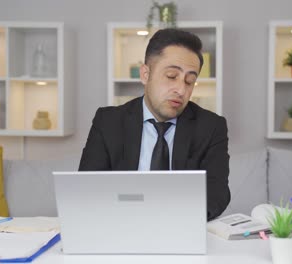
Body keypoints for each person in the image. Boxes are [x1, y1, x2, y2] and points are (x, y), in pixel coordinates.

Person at [79, 28, 230, 220]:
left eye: (190, 81)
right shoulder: (108, 121)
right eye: (171, 76)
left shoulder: (211, 127)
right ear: (145, 74)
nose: (181, 90)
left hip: (180, 226)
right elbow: (87, 188)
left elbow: (217, 194)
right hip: (118, 224)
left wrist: (177, 219)